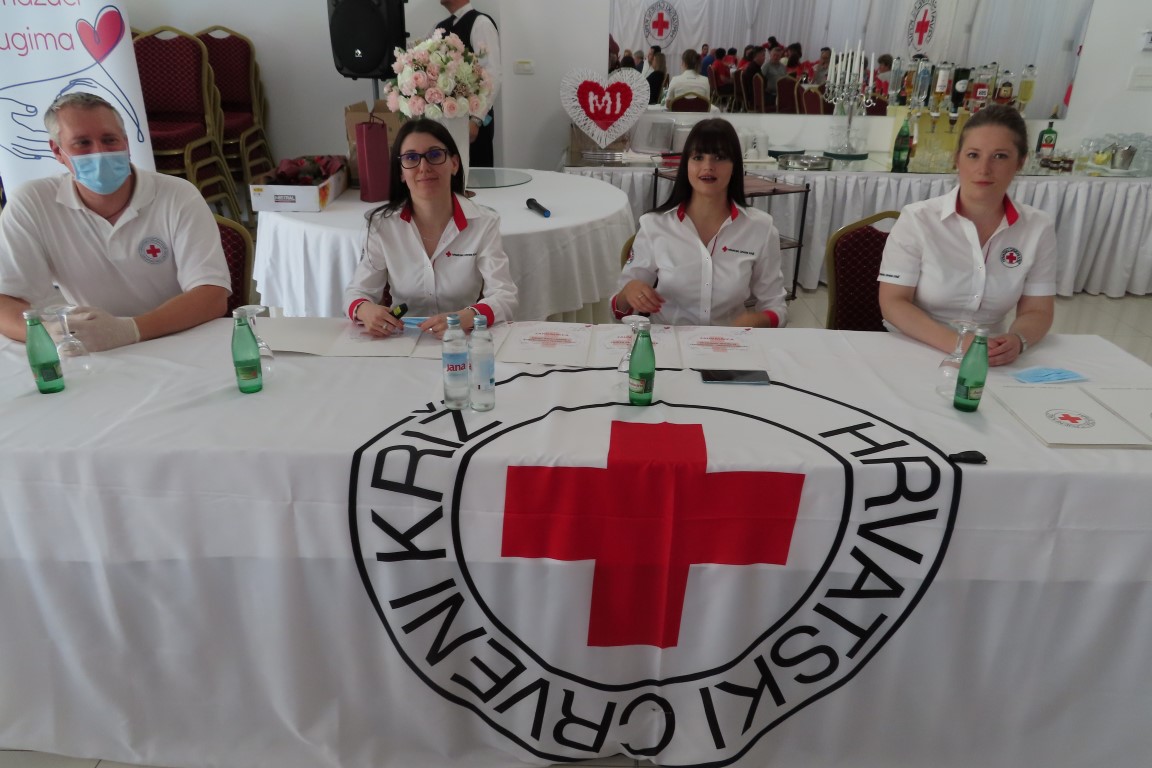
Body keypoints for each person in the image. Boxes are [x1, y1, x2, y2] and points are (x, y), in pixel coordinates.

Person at [0, 92, 230, 347]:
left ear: (126, 143)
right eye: (82, 143)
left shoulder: (178, 195)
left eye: (109, 140)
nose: (99, 152)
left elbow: (212, 295)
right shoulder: (32, 202)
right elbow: (5, 301)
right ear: (57, 151)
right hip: (94, 346)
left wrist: (129, 330)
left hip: (179, 336)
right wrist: (47, 333)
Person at [878, 105, 1055, 366]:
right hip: (916, 347)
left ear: (1020, 162)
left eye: (1000, 156)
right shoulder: (918, 219)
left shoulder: (1038, 227)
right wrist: (960, 344)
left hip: (991, 355)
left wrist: (1018, 340)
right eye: (973, 155)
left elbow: (1037, 310)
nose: (984, 168)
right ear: (957, 159)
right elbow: (893, 302)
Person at [344, 118, 517, 339]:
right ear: (401, 172)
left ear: (454, 164)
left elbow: (505, 296)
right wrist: (365, 310)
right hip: (401, 340)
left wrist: (467, 317)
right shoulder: (382, 225)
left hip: (462, 340)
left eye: (435, 155)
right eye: (411, 158)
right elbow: (356, 293)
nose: (424, 167)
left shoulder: (483, 223)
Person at [612, 118, 787, 328]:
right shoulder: (654, 225)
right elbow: (617, 309)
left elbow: (776, 306)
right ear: (686, 165)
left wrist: (758, 320)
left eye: (719, 157)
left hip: (730, 342)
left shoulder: (761, 228)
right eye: (698, 157)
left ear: (735, 166)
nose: (708, 166)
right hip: (669, 341)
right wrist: (629, 292)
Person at [434, 0, 501, 167]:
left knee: (477, 175)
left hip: (472, 123)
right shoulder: (440, 27)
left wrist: (476, 119)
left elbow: (492, 76)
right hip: (445, 123)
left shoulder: (481, 24)